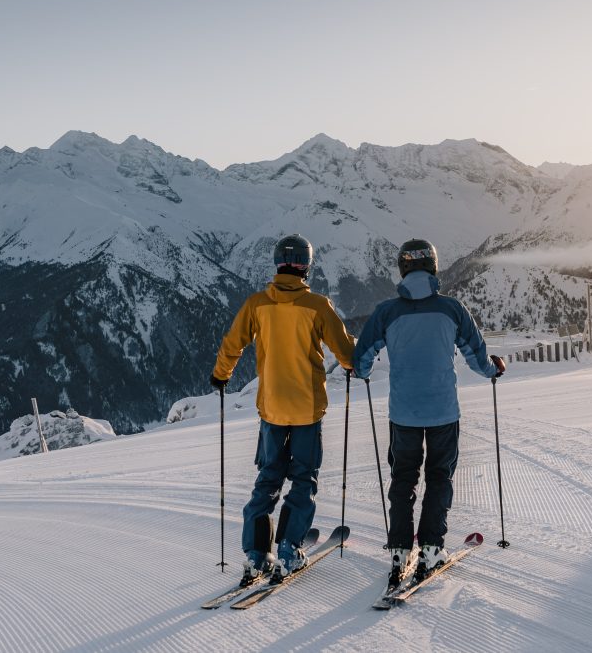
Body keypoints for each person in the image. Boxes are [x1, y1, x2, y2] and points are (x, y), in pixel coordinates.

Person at [352, 238, 505, 587]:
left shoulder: (386, 312)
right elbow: (478, 358)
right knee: (440, 478)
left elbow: (361, 361)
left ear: (403, 269)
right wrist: (494, 369)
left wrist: (358, 372)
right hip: (443, 413)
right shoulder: (453, 309)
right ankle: (432, 548)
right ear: (434, 267)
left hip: (403, 413)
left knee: (403, 480)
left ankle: (400, 551)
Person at [210, 233, 355, 583]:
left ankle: (256, 553)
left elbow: (233, 343)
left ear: (277, 264)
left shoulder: (257, 304)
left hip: (272, 409)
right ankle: (290, 548)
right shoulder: (318, 306)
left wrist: (221, 375)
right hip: (307, 410)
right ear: (307, 266)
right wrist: (354, 364)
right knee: (304, 477)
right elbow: (346, 354)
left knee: (269, 478)